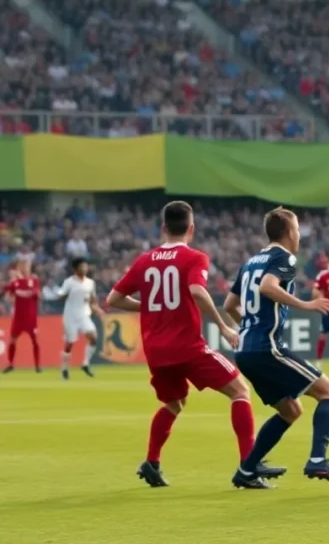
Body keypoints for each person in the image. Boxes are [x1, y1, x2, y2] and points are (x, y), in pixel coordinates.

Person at [107, 201, 284, 488]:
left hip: (155, 350)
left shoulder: (144, 260)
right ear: (192, 228)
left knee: (173, 403)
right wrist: (224, 326)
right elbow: (198, 292)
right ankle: (248, 466)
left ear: (163, 228)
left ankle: (151, 463)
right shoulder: (194, 258)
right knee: (239, 390)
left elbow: (112, 299)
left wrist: (152, 306)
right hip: (186, 346)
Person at [223, 207, 329, 489]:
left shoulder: (251, 262)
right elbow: (268, 287)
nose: (300, 235)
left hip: (246, 350)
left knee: (290, 411)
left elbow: (230, 305)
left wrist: (249, 326)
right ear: (289, 232)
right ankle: (318, 460)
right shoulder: (285, 258)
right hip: (266, 348)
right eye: (297, 229)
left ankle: (246, 471)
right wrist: (307, 305)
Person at [57, 258, 103, 380]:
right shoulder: (69, 282)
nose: (85, 269)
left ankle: (85, 364)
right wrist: (65, 295)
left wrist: (97, 309)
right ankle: (65, 368)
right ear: (76, 269)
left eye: (86, 266)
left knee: (93, 338)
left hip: (84, 315)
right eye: (82, 266)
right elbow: (60, 296)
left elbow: (93, 300)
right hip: (70, 316)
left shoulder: (90, 283)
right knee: (70, 343)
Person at [2, 256, 41, 373]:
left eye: (26, 265)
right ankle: (11, 364)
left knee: (35, 341)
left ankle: (37, 365)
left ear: (29, 267)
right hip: (18, 317)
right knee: (13, 340)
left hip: (30, 317)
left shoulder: (34, 280)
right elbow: (8, 296)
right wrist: (11, 294)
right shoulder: (15, 282)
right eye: (22, 265)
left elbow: (37, 294)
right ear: (19, 267)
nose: (24, 268)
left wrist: (28, 294)